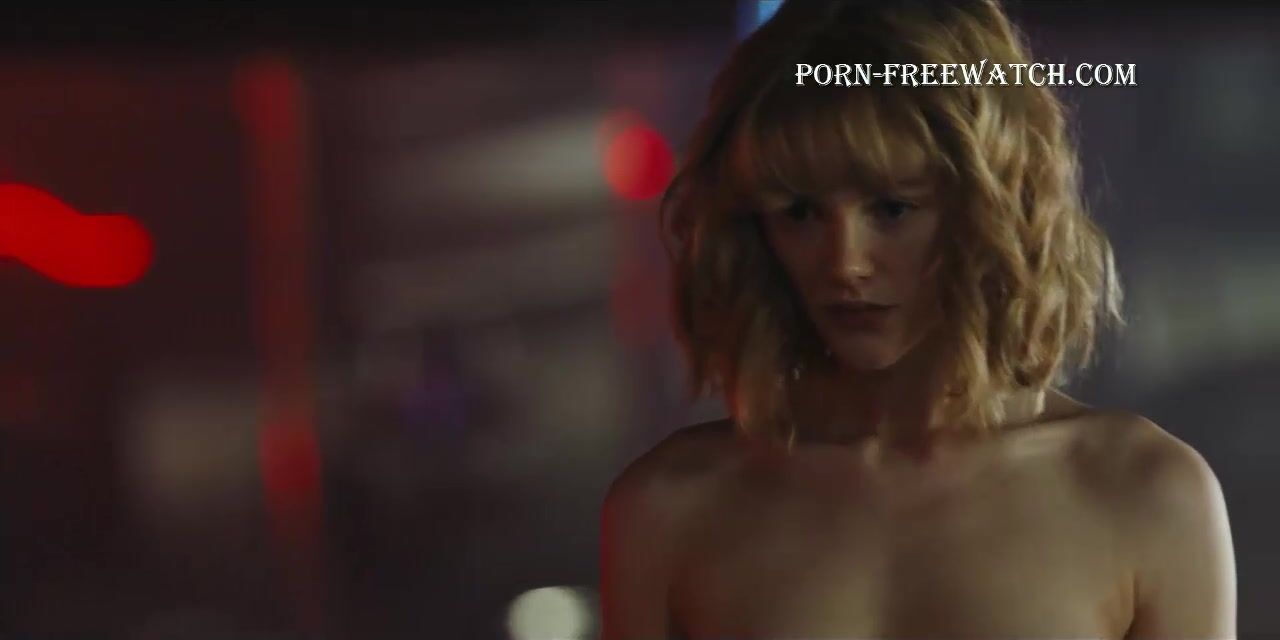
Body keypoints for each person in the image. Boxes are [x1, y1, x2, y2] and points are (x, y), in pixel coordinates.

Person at [598, 1, 1237, 639]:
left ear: (989, 211)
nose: (845, 263)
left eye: (892, 209)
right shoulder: (669, 509)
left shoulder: (1145, 494)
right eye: (799, 212)